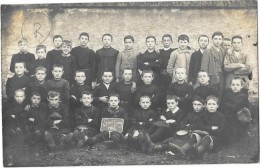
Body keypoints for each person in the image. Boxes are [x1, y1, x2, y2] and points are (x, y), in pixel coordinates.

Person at [220, 77, 251, 143]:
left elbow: (235, 106)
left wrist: (228, 104)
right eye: (233, 85)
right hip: (228, 116)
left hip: (239, 118)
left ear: (241, 86)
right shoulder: (227, 93)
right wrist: (229, 104)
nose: (235, 87)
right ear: (230, 86)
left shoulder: (243, 95)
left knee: (237, 136)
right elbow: (223, 105)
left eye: (237, 85)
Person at [3, 89, 28, 166]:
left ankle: (18, 158)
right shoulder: (9, 105)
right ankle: (9, 157)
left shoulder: (26, 106)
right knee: (9, 136)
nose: (19, 98)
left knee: (19, 135)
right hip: (10, 126)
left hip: (22, 127)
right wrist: (18, 116)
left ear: (24, 97)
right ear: (14, 96)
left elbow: (25, 118)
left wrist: (16, 116)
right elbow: (7, 117)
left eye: (21, 96)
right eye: (17, 96)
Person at [200, 31, 225, 101]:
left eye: (219, 39)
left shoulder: (222, 51)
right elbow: (204, 67)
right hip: (211, 78)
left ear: (222, 40)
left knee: (220, 96)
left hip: (221, 77)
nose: (217, 41)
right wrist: (205, 79)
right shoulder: (208, 51)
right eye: (215, 39)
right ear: (212, 40)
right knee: (211, 97)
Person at [159, 34, 177, 108]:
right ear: (162, 42)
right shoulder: (159, 51)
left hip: (170, 75)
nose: (166, 42)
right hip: (160, 76)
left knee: (170, 92)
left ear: (171, 41)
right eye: (164, 40)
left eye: (168, 40)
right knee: (161, 93)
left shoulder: (174, 51)